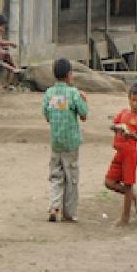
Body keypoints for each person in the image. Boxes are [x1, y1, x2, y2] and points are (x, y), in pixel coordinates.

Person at [42, 58, 89, 223]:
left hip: (56, 141)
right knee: (72, 177)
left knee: (56, 174)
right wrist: (85, 100)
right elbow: (83, 115)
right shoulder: (73, 93)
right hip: (71, 142)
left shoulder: (49, 93)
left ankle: (54, 206)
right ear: (69, 74)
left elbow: (46, 114)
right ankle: (69, 212)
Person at [105, 82, 137, 227]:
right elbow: (113, 125)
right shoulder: (123, 113)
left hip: (130, 154)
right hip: (119, 152)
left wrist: (131, 134)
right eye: (133, 100)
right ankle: (133, 197)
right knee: (109, 182)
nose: (135, 104)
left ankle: (125, 218)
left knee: (128, 184)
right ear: (129, 98)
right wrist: (118, 128)